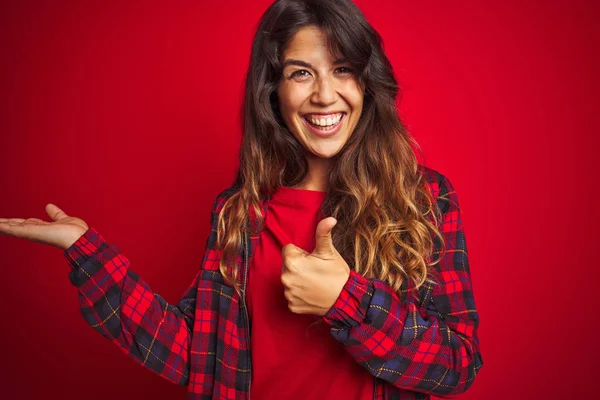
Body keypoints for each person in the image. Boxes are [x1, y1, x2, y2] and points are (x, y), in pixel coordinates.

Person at [0, 0, 483, 399]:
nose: (324, 94)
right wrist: (86, 251)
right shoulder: (240, 212)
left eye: (342, 69)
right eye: (300, 73)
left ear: (366, 82)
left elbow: (457, 365)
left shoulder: (424, 200)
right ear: (273, 91)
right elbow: (197, 355)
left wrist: (345, 300)